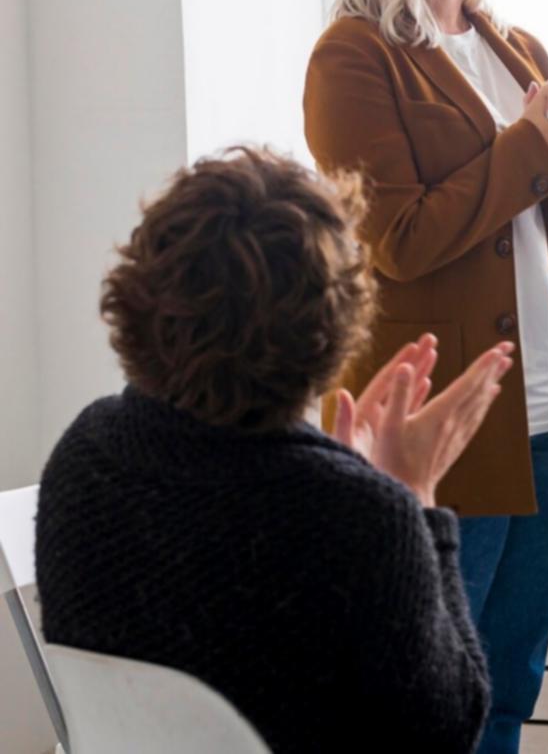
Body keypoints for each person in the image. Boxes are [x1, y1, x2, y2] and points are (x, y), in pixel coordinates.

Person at [303, 0, 548, 753]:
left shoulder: (514, 46)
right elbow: (394, 239)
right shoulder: (353, 55)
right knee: (424, 700)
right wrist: (531, 148)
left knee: (507, 688)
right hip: (434, 425)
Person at [35, 148, 512, 754]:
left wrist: (354, 482)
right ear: (331, 324)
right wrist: (414, 498)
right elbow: (446, 733)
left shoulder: (85, 456)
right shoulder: (363, 521)